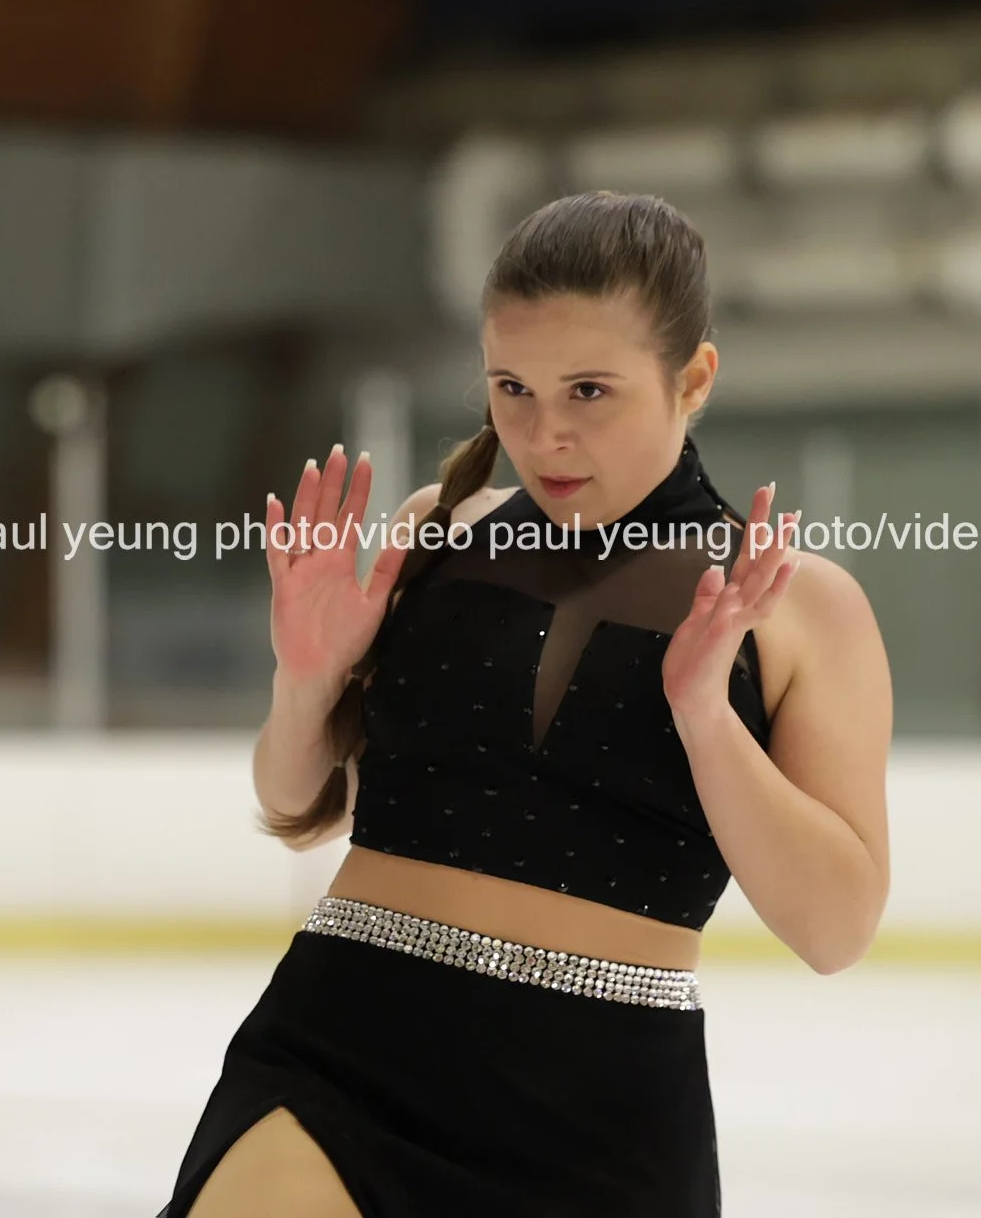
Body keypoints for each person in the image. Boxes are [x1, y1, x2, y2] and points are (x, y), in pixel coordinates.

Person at [155, 192, 894, 1217]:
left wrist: (705, 719)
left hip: (601, 1117)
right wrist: (307, 680)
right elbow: (297, 805)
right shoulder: (439, 532)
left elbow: (834, 930)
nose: (544, 435)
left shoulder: (797, 607)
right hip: (339, 1053)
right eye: (512, 388)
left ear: (692, 380)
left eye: (589, 391)